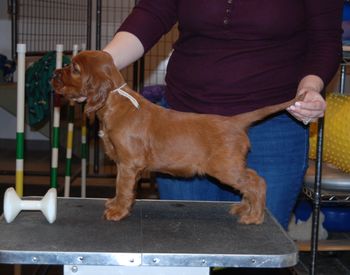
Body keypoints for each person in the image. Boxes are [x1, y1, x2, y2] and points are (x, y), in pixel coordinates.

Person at [103, 0, 343, 229]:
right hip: (181, 122)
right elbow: (152, 13)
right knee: (187, 244)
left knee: (257, 249)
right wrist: (99, 68)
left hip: (272, 125)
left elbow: (325, 39)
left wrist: (310, 87)